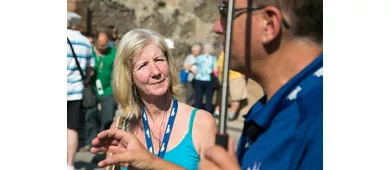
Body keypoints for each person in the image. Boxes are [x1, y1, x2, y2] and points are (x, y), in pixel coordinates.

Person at [199, 0, 323, 170]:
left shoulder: (320, 118)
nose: (217, 27)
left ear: (269, 24)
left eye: (226, 12)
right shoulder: (273, 110)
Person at [89, 28, 217, 170]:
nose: (156, 72)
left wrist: (153, 163)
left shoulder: (201, 123)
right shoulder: (120, 129)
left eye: (159, 60)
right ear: (129, 77)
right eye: (143, 65)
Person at [81, 32, 118, 151]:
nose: (103, 48)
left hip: (108, 89)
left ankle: (103, 141)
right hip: (91, 89)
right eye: (100, 45)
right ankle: (91, 141)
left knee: (107, 117)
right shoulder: (88, 51)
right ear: (96, 42)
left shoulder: (113, 53)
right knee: (90, 115)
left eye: (105, 45)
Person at [67, 16, 95, 170]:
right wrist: (83, 80)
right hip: (76, 92)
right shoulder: (84, 40)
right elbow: (91, 69)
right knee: (72, 129)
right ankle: (69, 164)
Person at [214, 51, 248, 121]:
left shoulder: (239, 51)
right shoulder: (224, 50)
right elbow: (219, 62)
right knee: (222, 96)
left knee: (236, 97)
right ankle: (217, 112)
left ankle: (231, 115)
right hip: (223, 76)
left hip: (236, 76)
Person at [192, 43, 218, 114]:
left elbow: (194, 68)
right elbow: (215, 70)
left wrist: (196, 74)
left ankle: (196, 113)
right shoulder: (213, 58)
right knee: (209, 98)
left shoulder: (199, 57)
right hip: (209, 80)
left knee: (198, 97)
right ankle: (208, 113)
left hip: (198, 79)